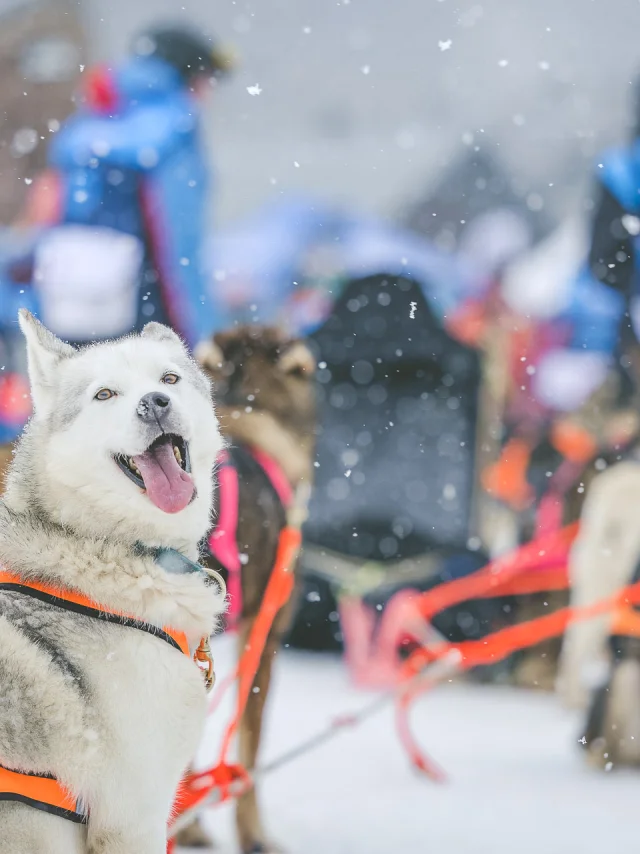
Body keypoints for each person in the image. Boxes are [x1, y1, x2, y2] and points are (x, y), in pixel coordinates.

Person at [30, 24, 233, 349]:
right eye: (206, 78)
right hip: (142, 293)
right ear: (188, 75)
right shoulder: (174, 121)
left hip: (79, 292)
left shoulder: (93, 119)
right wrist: (202, 330)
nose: (208, 93)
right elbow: (180, 242)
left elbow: (52, 209)